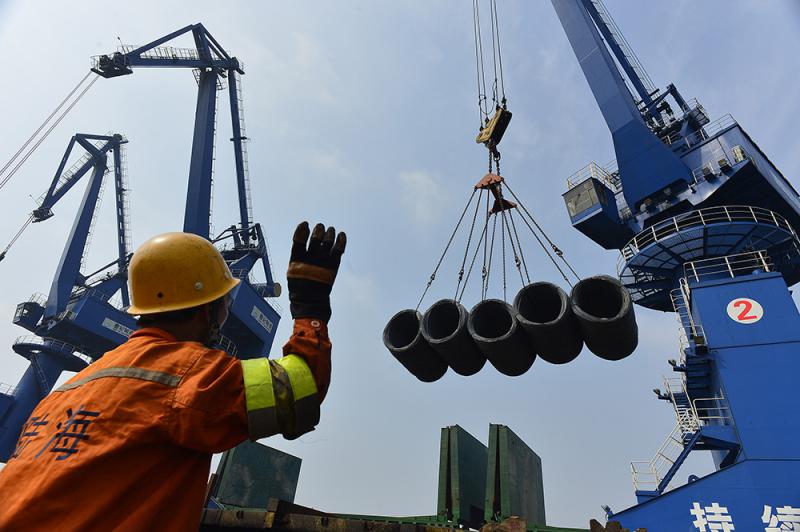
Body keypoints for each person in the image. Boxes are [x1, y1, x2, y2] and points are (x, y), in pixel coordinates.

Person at [0, 221, 346, 531]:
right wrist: (310, 311)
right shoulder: (189, 373)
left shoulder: (75, 386)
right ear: (208, 308)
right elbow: (301, 389)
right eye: (224, 299)